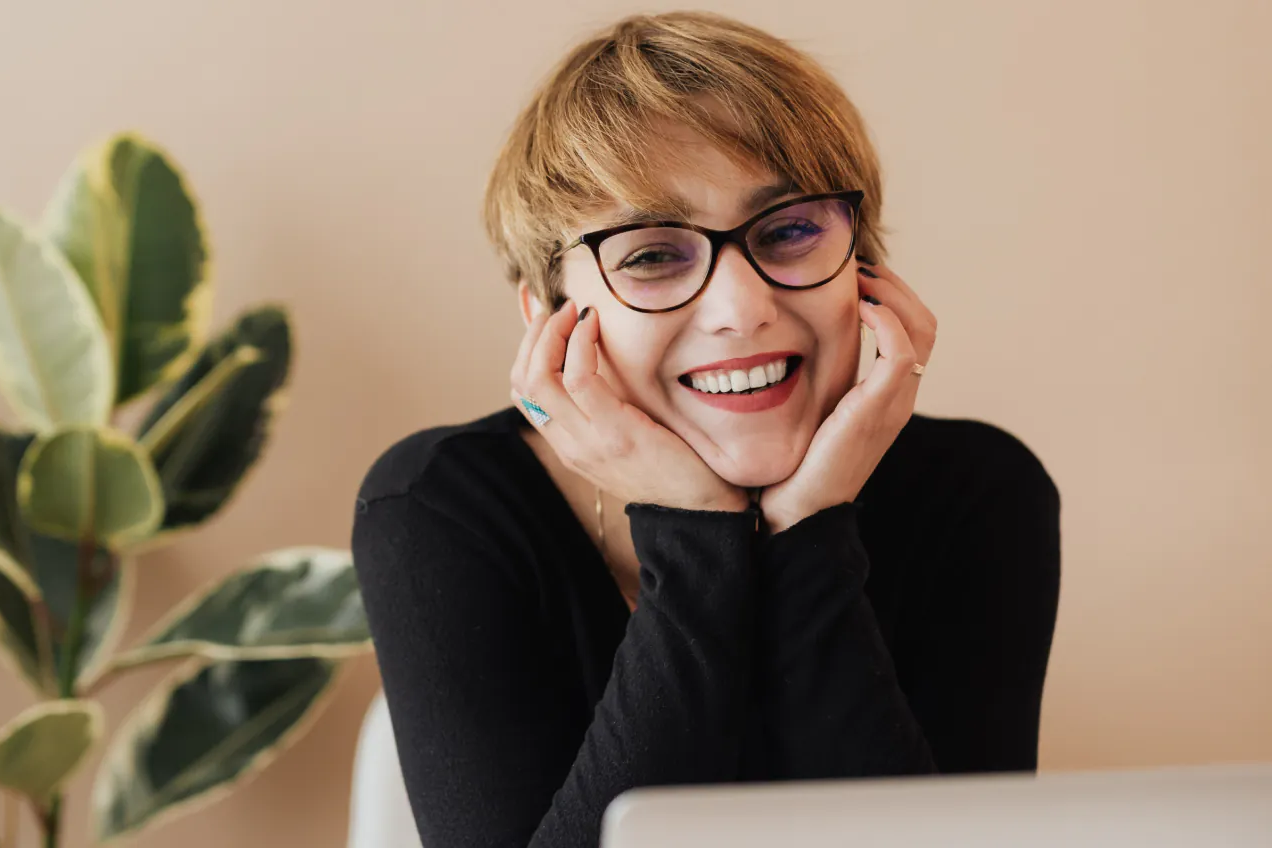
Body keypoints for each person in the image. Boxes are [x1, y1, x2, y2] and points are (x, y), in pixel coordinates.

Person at [350, 11, 1061, 848]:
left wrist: (808, 530)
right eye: (653, 254)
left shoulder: (976, 492)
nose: (742, 309)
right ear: (547, 315)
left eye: (790, 231)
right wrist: (693, 530)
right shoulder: (440, 507)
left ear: (865, 269)